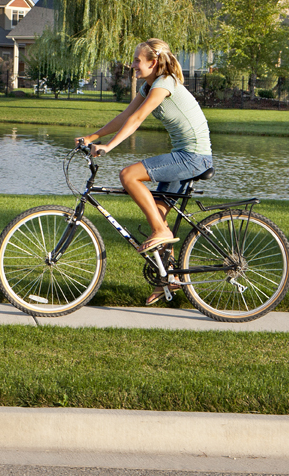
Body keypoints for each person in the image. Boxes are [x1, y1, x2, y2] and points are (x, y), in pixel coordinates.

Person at [75, 38, 212, 304]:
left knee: (128, 175)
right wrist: (92, 136)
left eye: (138, 60)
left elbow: (138, 119)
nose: (133, 65)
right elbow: (126, 115)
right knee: (156, 216)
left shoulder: (164, 83)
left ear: (154, 62)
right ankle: (168, 278)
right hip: (185, 155)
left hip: (193, 157)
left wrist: (109, 146)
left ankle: (163, 237)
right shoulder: (149, 85)